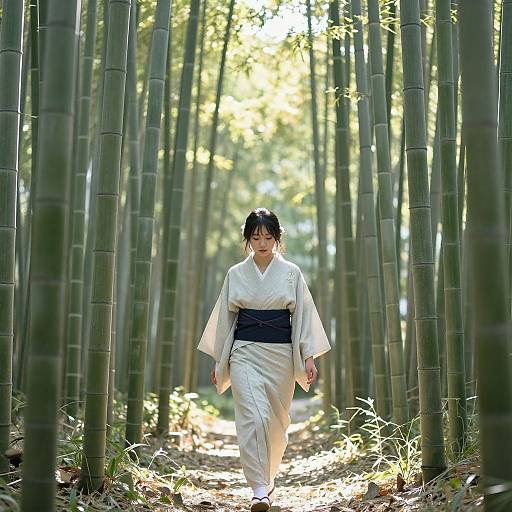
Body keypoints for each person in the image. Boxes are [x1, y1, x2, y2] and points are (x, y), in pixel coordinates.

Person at [196, 207, 331, 512]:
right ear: (247, 239)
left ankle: (268, 479)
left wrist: (307, 358)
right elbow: (225, 322)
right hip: (244, 352)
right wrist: (220, 361)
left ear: (277, 238)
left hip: (281, 355)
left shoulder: (292, 273)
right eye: (255, 237)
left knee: (275, 425)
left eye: (268, 236)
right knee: (253, 418)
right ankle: (258, 489)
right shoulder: (235, 274)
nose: (262, 243)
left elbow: (305, 318)